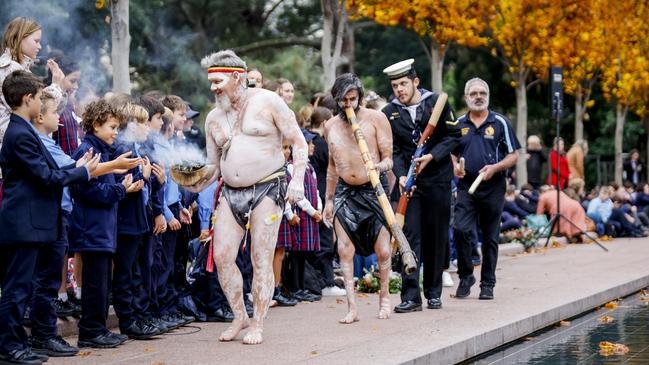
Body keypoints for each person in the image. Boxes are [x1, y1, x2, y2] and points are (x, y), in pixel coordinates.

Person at [186, 50, 307, 345]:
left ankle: (258, 322)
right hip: (230, 192)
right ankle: (239, 315)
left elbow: (299, 141)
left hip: (268, 187)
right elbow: (214, 166)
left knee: (260, 257)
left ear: (237, 77)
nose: (213, 88)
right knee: (222, 256)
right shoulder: (213, 118)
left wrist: (299, 181)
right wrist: (195, 183)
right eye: (211, 82)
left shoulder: (269, 101)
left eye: (218, 81)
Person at [0, 70, 95, 364]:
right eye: (40, 97)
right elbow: (44, 176)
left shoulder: (24, 130)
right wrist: (84, 172)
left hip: (32, 222)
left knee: (24, 286)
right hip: (22, 222)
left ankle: (19, 343)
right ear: (27, 98)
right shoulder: (19, 133)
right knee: (16, 290)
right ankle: (9, 347)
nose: (42, 103)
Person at [381, 58, 460, 312]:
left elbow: (454, 136)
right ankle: (411, 296)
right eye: (395, 86)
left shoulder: (437, 103)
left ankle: (434, 293)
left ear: (416, 82)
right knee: (410, 237)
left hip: (437, 180)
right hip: (410, 185)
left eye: (403, 84)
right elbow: (393, 150)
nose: (399, 90)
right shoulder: (388, 112)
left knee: (436, 237)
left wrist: (433, 156)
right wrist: (402, 175)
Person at [323, 73, 393, 323]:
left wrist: (379, 167)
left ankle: (384, 298)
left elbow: (389, 158)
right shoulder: (329, 125)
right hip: (345, 190)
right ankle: (351, 307)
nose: (348, 105)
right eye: (343, 100)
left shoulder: (376, 119)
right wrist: (328, 199)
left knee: (383, 250)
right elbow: (332, 167)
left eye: (353, 99)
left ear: (360, 97)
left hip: (373, 188)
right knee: (344, 249)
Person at [452, 77, 520, 300]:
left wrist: (495, 168)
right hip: (465, 185)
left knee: (490, 237)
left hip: (493, 186)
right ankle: (465, 275)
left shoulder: (500, 122)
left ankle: (487, 284)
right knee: (461, 229)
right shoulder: (458, 123)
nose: (478, 97)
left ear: (487, 97)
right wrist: (455, 167)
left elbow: (514, 155)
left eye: (482, 93)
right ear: (466, 98)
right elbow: (451, 152)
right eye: (474, 94)